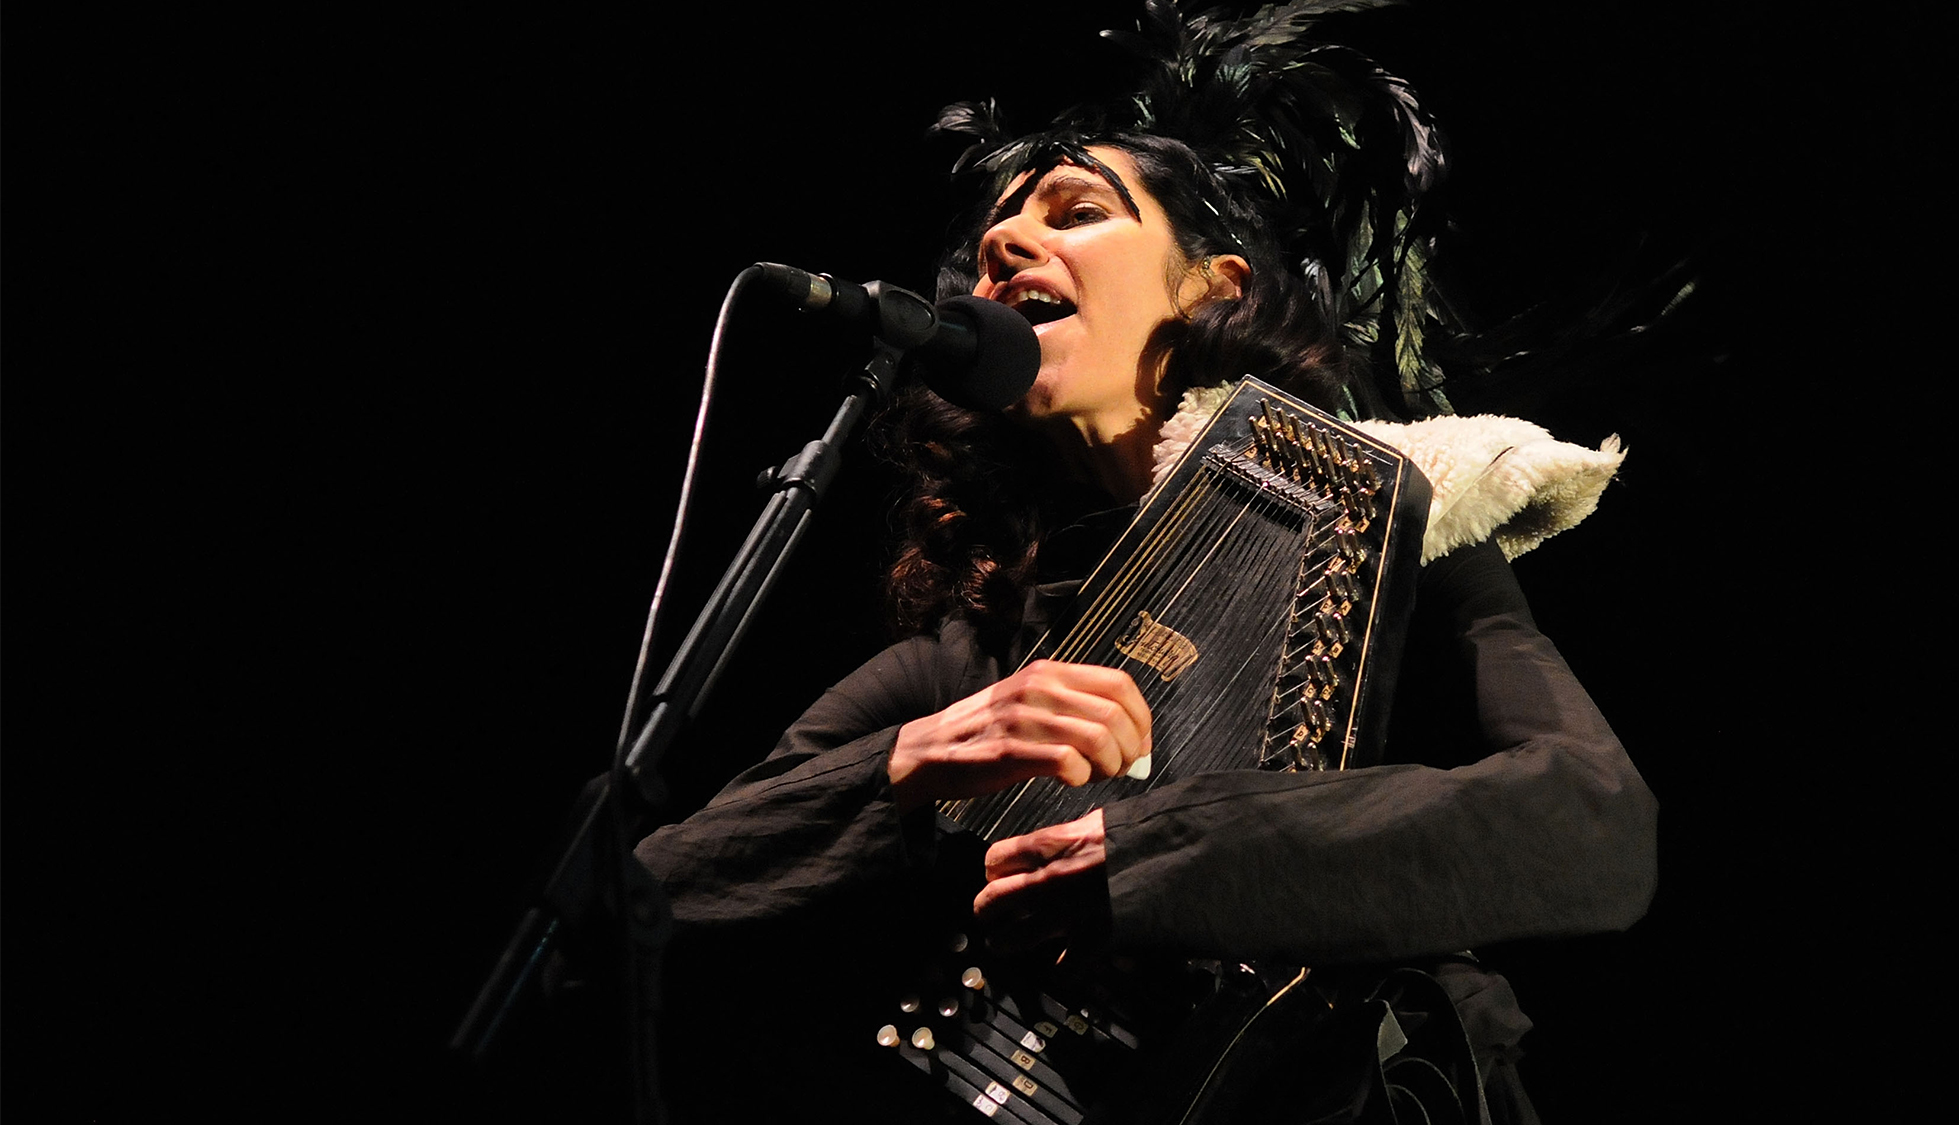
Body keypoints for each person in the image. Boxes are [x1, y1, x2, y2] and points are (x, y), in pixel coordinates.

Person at [634, 5, 1656, 1121]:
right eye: (993, 232)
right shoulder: (980, 653)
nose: (1000, 247)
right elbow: (650, 891)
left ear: (1211, 287)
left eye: (1075, 212)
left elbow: (1595, 820)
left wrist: (1160, 856)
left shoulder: (1387, 519)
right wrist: (911, 757)